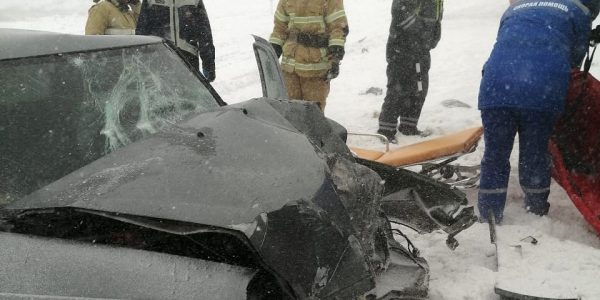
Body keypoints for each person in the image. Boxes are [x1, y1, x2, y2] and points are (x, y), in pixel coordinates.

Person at [477, 0, 600, 223]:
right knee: (534, 153)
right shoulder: (578, 11)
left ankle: (489, 212)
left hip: (495, 85)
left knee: (495, 154)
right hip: (542, 87)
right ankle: (536, 208)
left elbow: (506, 41)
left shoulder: (515, 7)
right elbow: (575, 60)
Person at [377, 0, 443, 142]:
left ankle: (409, 126)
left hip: (421, 49)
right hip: (402, 47)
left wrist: (434, 35)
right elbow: (400, 10)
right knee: (398, 89)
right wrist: (420, 31)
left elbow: (435, 16)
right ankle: (386, 130)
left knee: (419, 88)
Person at [269, 0, 349, 112]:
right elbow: (279, 28)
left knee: (313, 116)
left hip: (315, 70)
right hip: (289, 68)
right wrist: (273, 50)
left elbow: (338, 28)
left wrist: (335, 58)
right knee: (290, 114)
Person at [136, 0, 216, 82]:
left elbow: (205, 34)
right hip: (158, 58)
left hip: (188, 59)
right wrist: (140, 60)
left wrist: (208, 64)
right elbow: (141, 32)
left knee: (187, 93)